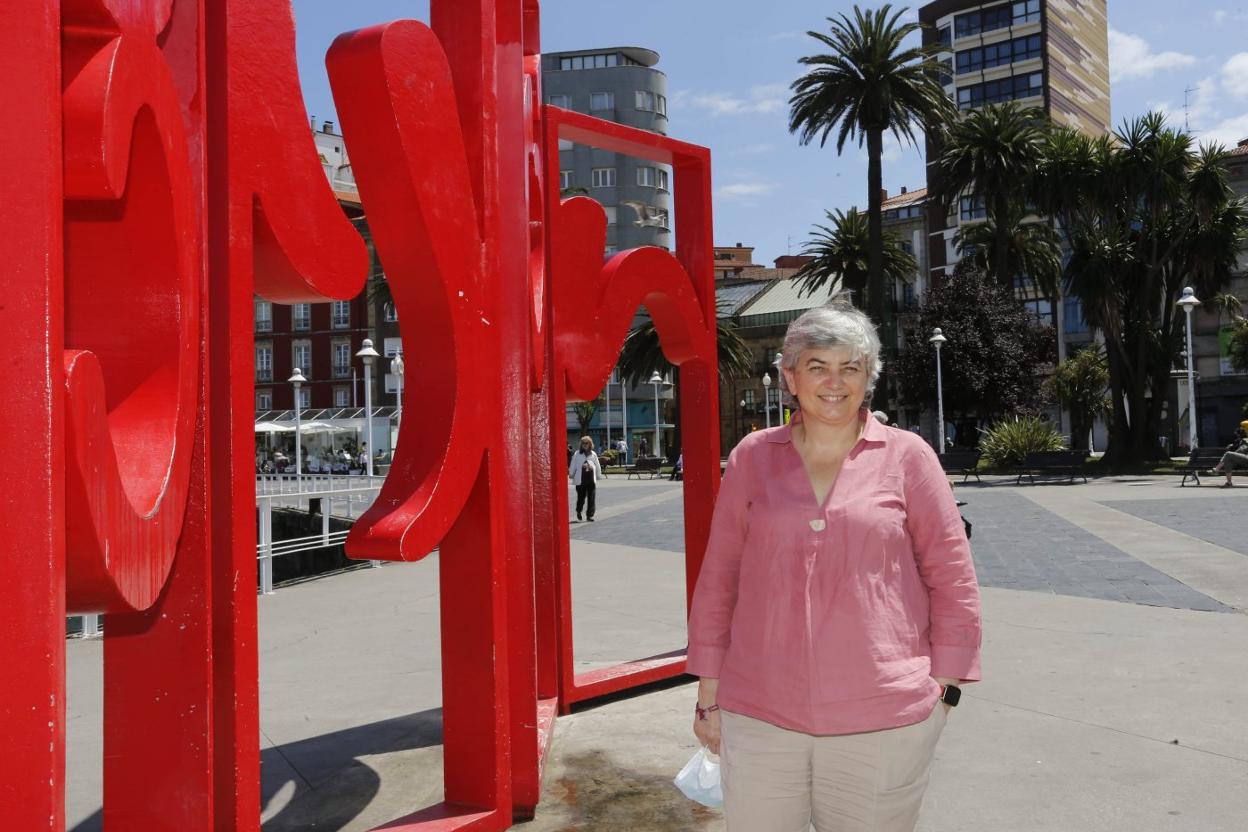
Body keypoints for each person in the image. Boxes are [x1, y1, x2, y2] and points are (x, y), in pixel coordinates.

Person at [687, 298, 982, 832]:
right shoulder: (752, 457)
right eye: (818, 365)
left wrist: (944, 687)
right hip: (760, 714)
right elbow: (720, 577)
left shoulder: (909, 456)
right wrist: (709, 695)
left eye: (851, 367)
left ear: (870, 377)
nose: (835, 381)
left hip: (883, 718)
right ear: (789, 377)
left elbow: (952, 574)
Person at [568, 436, 602, 522]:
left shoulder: (593, 454)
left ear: (590, 444)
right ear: (581, 444)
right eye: (583, 443)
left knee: (591, 498)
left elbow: (597, 465)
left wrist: (598, 475)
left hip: (590, 479)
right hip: (581, 480)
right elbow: (573, 464)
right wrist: (571, 473)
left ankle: (589, 515)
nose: (585, 445)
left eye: (587, 443)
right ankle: (579, 511)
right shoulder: (577, 453)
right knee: (581, 498)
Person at [1211, 421, 1248, 487]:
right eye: (1243, 429)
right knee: (1228, 461)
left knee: (1228, 454)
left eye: (1244, 429)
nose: (1244, 431)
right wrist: (1232, 446)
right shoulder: (1242, 439)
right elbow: (1240, 449)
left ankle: (1217, 469)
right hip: (1242, 459)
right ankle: (1229, 483)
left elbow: (1243, 449)